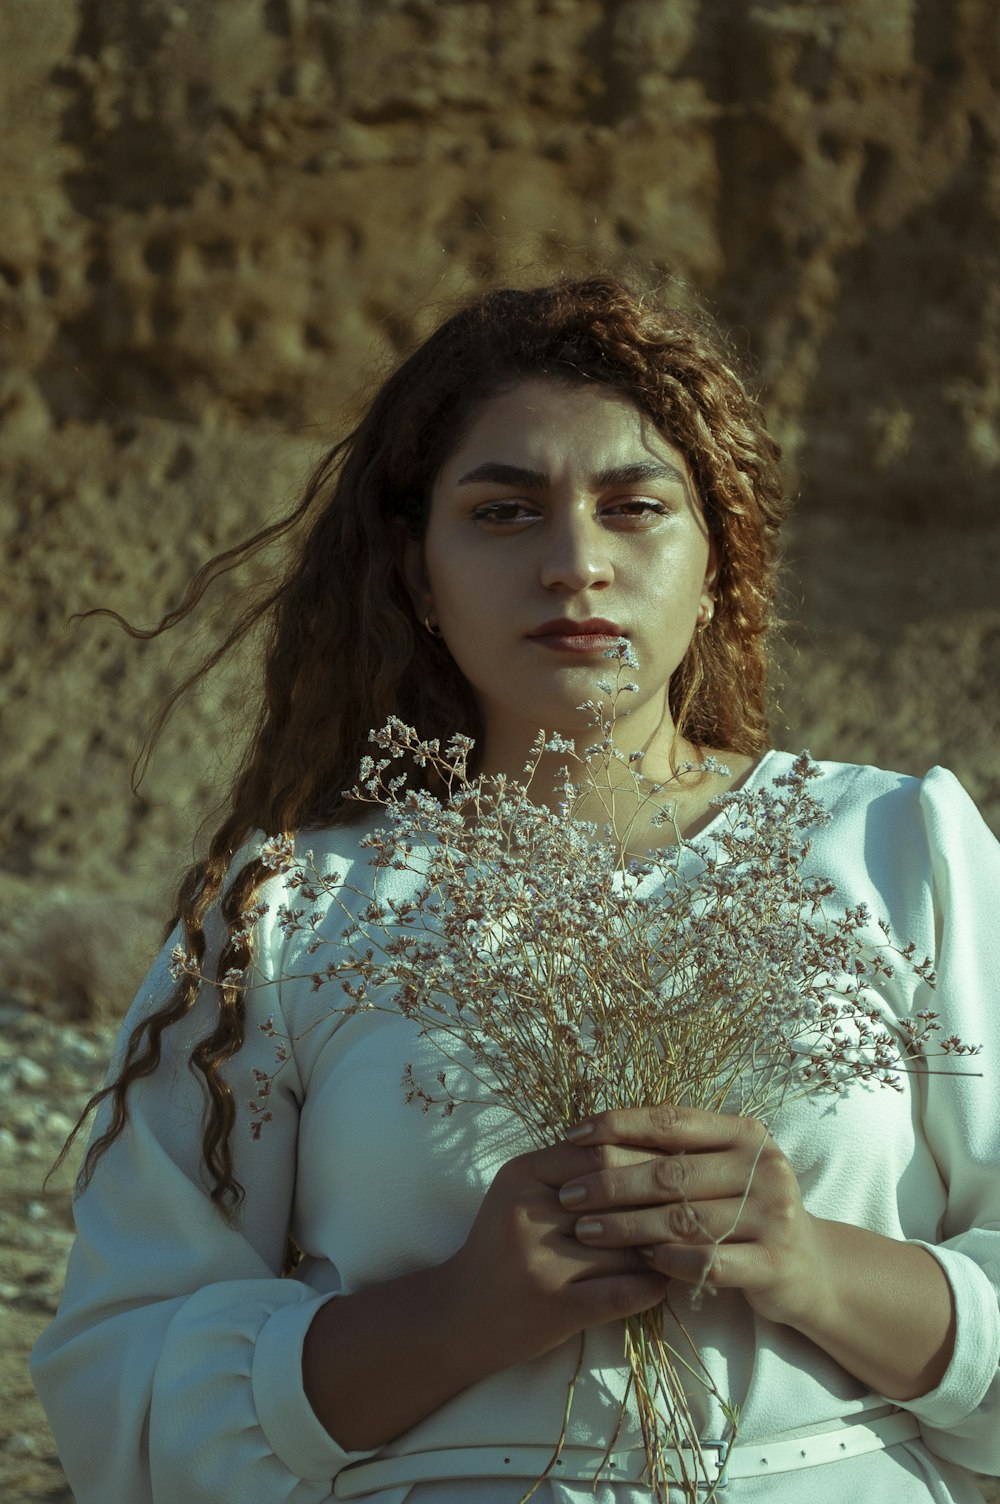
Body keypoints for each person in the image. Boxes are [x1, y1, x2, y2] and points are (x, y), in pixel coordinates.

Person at [32, 277, 1000, 1504]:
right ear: (420, 579)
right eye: (502, 512)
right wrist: (459, 1313)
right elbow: (122, 1379)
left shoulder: (899, 847)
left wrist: (810, 1262)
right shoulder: (289, 903)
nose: (573, 563)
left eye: (634, 506)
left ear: (716, 564)